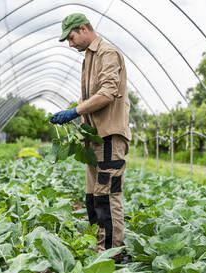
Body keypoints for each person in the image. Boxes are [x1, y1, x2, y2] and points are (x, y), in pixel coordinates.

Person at [50, 13, 131, 254]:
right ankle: (100, 247)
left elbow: (106, 94)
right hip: (94, 138)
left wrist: (74, 112)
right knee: (93, 197)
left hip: (108, 136)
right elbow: (89, 96)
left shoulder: (107, 53)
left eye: (71, 37)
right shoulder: (89, 57)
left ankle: (111, 255)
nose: (70, 43)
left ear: (84, 29)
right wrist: (71, 109)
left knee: (107, 195)